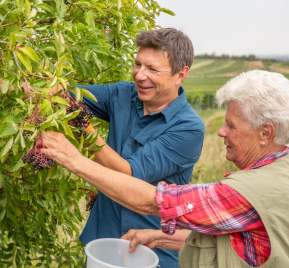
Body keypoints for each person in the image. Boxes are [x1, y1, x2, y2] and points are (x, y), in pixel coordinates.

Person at [39, 69, 289, 267]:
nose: (221, 131)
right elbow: (233, 238)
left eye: (231, 125)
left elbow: (152, 202)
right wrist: (159, 237)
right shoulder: (287, 172)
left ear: (265, 133)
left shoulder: (246, 193)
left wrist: (73, 158)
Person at [66, 28, 205, 268]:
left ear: (180, 75)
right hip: (103, 243)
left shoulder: (189, 129)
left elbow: (127, 173)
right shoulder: (122, 95)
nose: (140, 75)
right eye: (137, 64)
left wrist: (85, 130)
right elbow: (67, 96)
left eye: (152, 69)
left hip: (152, 254)